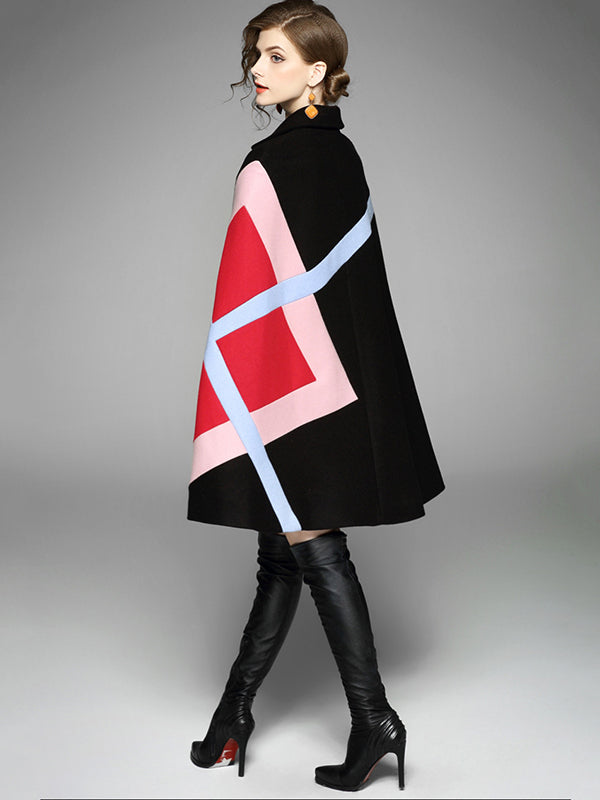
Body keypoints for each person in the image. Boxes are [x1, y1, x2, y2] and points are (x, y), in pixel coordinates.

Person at [187, 0, 445, 791]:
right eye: (256, 55)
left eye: (275, 56)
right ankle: (232, 716)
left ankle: (374, 717)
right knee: (281, 549)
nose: (257, 70)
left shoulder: (270, 165)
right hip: (335, 388)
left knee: (308, 544)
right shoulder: (343, 156)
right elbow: (342, 298)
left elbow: (249, 303)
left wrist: (244, 391)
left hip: (289, 392)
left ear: (318, 71)